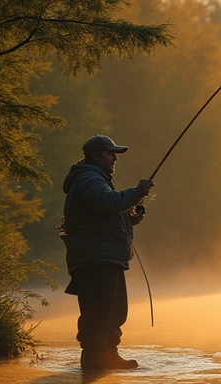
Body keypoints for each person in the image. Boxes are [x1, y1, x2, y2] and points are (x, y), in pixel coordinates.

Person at [61, 135, 155, 370]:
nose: (114, 158)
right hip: (95, 259)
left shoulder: (94, 179)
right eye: (110, 153)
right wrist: (136, 192)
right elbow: (106, 202)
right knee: (100, 311)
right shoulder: (89, 179)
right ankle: (94, 360)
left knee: (112, 310)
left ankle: (108, 356)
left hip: (103, 257)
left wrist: (128, 219)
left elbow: (103, 214)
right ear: (95, 156)